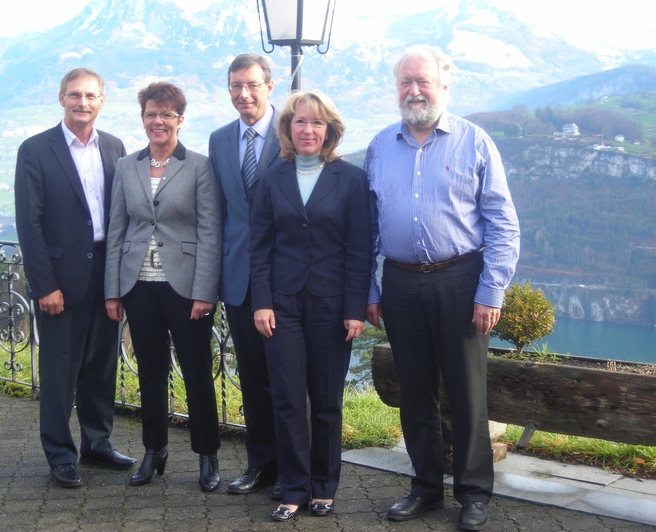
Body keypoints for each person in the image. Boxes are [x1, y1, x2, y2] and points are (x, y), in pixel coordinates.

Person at [364, 45, 520, 531]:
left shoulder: (474, 142)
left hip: (461, 280)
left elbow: (503, 223)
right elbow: (368, 227)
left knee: (467, 393)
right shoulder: (380, 145)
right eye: (406, 82)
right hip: (401, 283)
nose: (414, 91)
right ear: (397, 89)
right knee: (415, 393)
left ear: (444, 86)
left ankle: (473, 493)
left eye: (423, 82)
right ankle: (426, 488)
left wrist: (490, 291)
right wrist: (372, 289)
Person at [250, 91, 372, 521]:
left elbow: (360, 251)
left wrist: (355, 309)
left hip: (331, 305)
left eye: (317, 123)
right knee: (286, 399)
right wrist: (261, 302)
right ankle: (293, 486)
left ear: (330, 131)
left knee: (325, 400)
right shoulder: (272, 178)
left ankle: (324, 487)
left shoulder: (351, 181)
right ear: (288, 129)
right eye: (300, 122)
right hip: (281, 306)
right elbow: (259, 246)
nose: (308, 130)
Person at [14, 68, 136, 489]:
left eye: (90, 95)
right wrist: (44, 285)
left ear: (102, 100)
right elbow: (29, 225)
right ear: (61, 98)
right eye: (74, 95)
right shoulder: (35, 150)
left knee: (101, 367)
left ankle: (98, 444)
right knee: (60, 371)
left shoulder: (116, 147)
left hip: (106, 274)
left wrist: (121, 279)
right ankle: (60, 455)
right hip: (61, 280)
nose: (82, 102)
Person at [104, 82, 222, 491]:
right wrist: (112, 291)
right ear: (143, 119)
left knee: (196, 373)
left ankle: (208, 456)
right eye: (151, 114)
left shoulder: (199, 166)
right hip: (138, 286)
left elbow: (210, 232)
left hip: (186, 288)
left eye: (167, 114)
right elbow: (117, 230)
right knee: (150, 374)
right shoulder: (126, 166)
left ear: (180, 120)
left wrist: (206, 290)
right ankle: (153, 452)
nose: (158, 121)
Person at [208, 53, 281, 498]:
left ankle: (298, 469)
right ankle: (260, 466)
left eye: (252, 85)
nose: (243, 94)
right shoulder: (219, 140)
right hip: (238, 279)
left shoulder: (292, 131)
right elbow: (216, 214)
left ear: (269, 87)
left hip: (285, 279)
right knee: (252, 378)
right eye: (236, 86)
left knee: (290, 378)